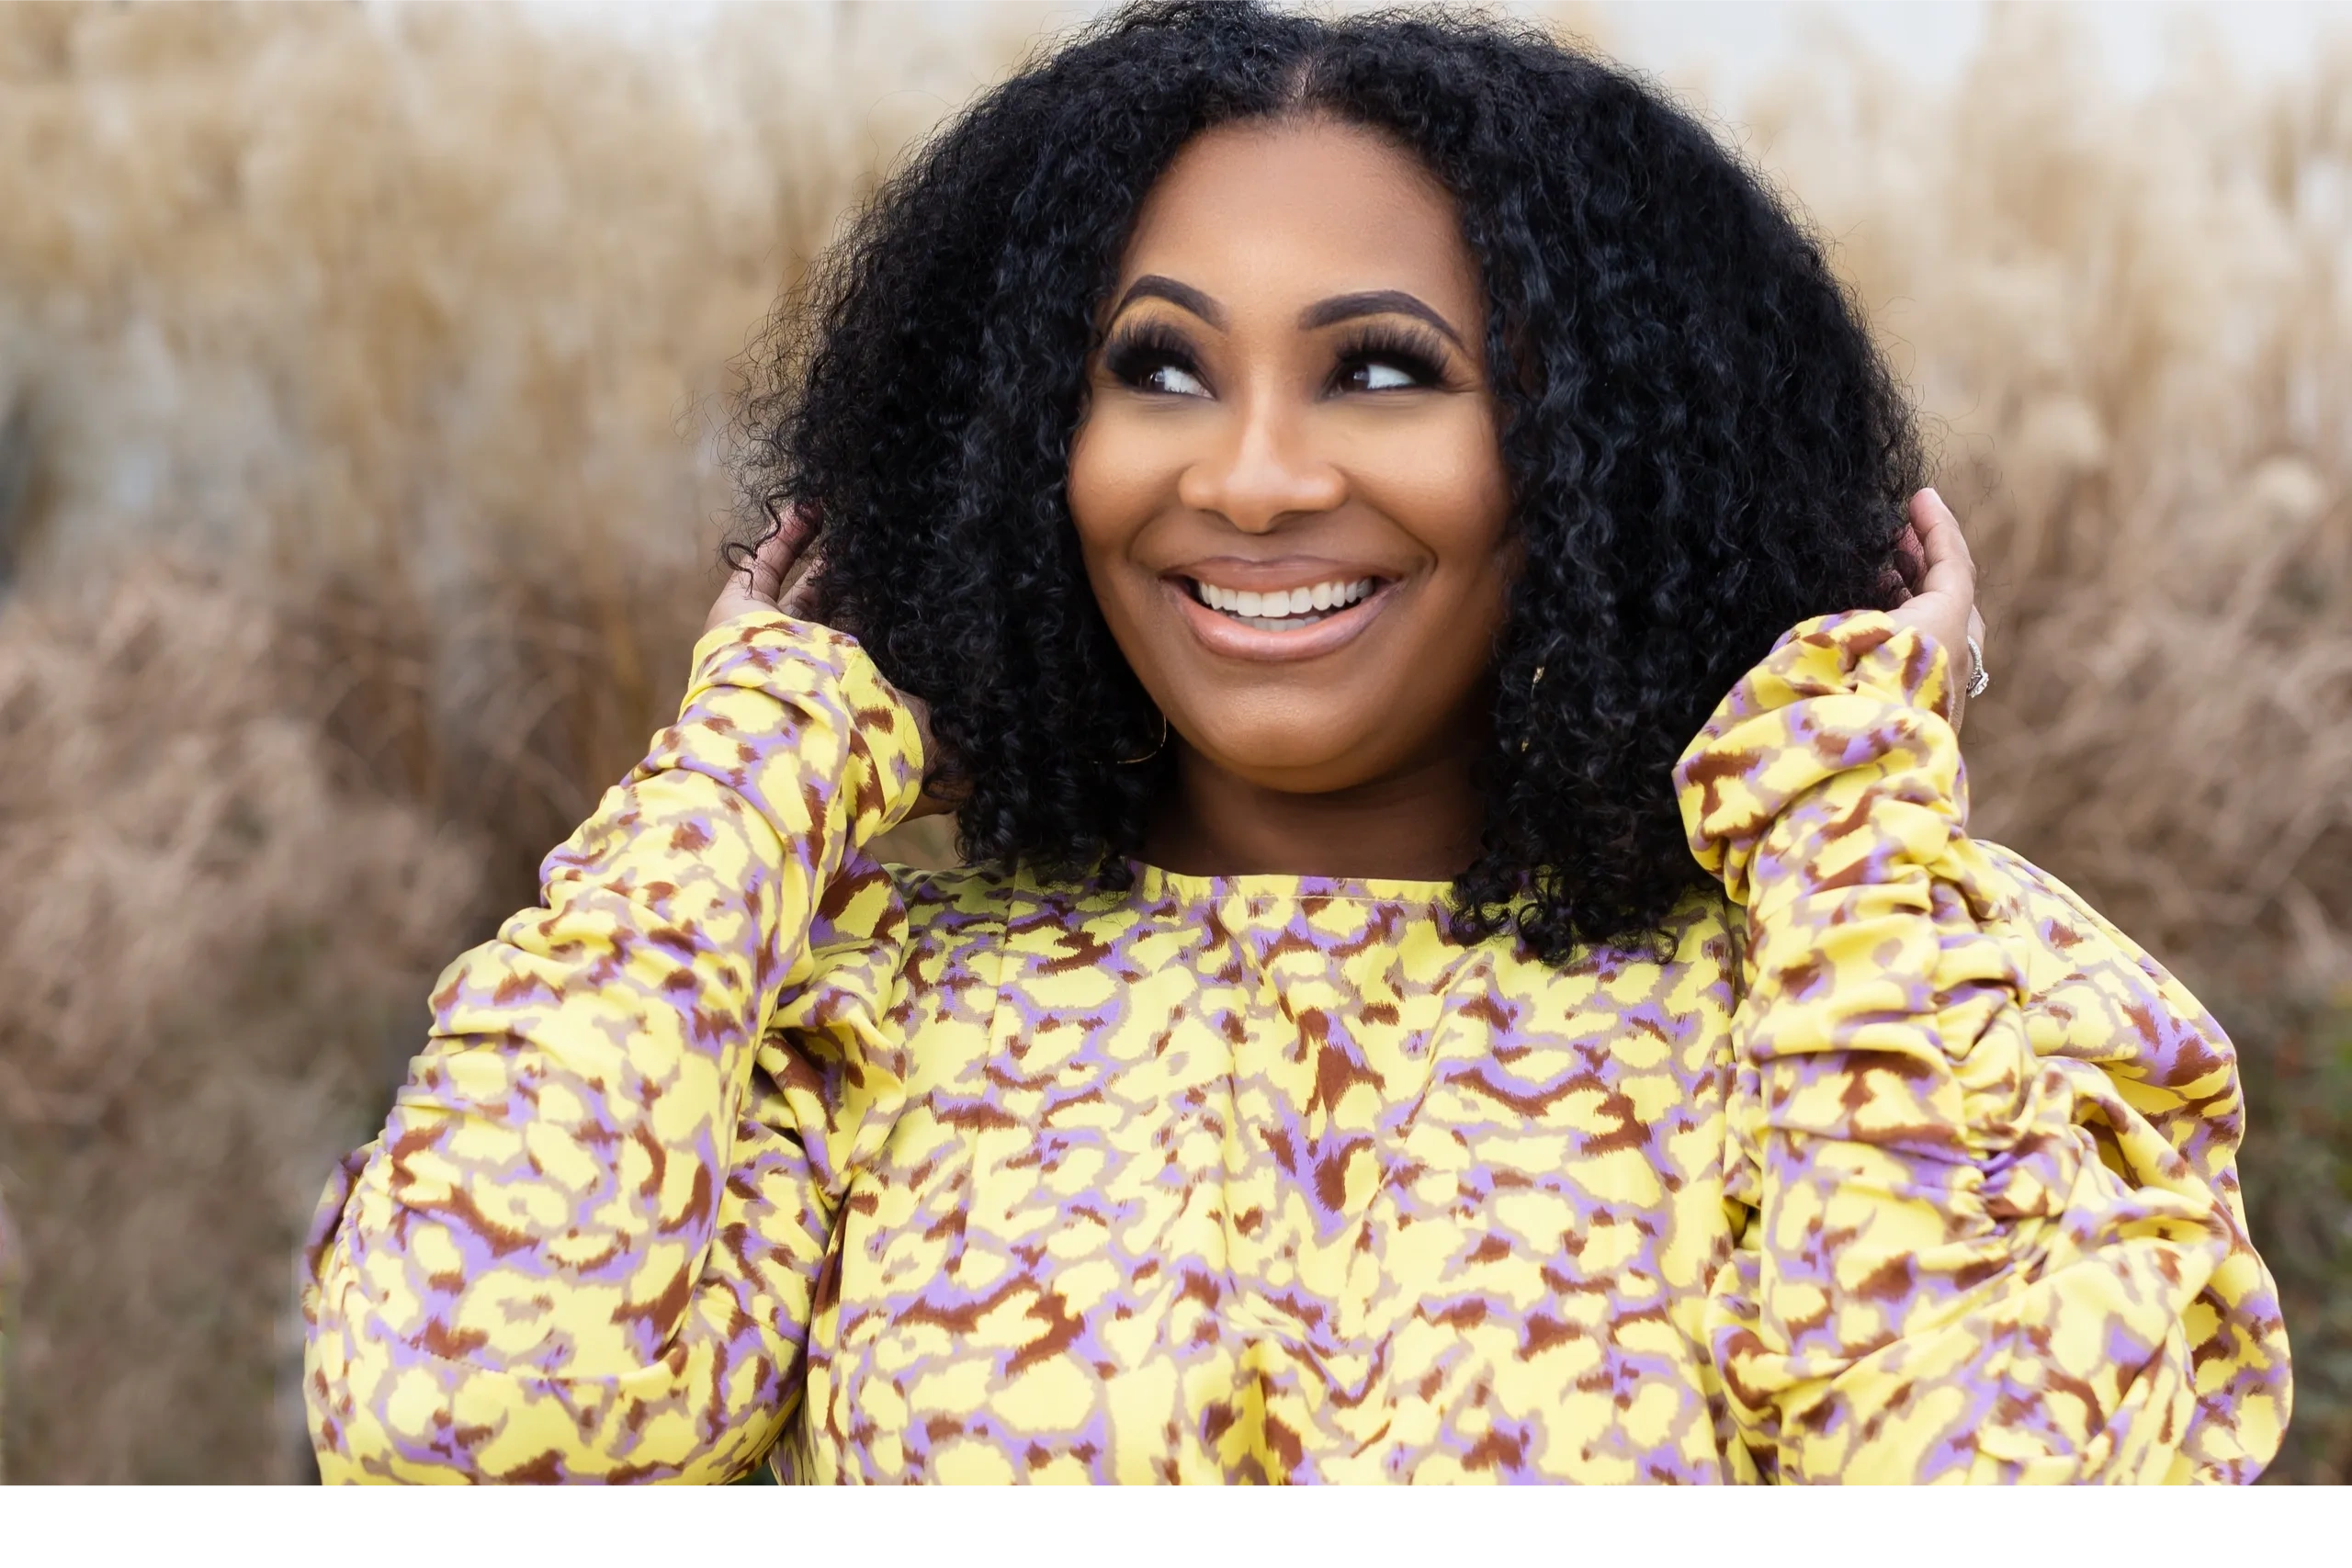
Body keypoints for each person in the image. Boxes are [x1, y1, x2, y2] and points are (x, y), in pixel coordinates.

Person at [301, 0, 2289, 1485]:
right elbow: (455, 1416)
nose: (1248, 478)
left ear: (1600, 447)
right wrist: (758, 750)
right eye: (1156, 366)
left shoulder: (1894, 989)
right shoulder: (861, 997)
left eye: (1382, 372)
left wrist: (1841, 808)